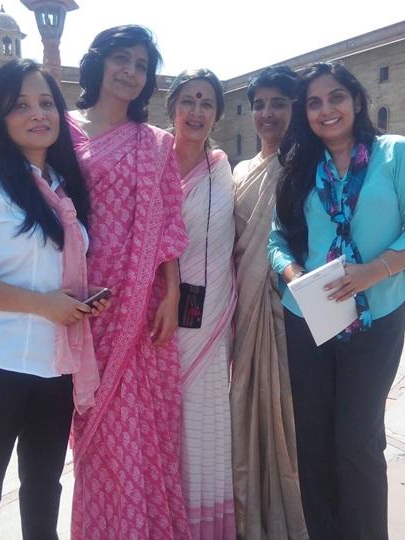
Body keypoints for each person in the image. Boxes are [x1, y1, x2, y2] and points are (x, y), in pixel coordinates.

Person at [0, 58, 109, 540]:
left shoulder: (63, 188)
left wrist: (78, 301)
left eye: (47, 102)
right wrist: (43, 304)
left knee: (43, 488)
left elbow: (56, 270)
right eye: (21, 105)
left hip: (53, 367)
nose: (38, 114)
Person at [268, 62, 405, 540]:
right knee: (314, 441)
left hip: (376, 315)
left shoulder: (394, 154)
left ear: (357, 101)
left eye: (336, 97)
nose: (326, 109)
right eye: (314, 102)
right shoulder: (299, 166)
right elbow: (276, 239)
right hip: (310, 318)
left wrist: (372, 272)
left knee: (358, 440)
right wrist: (294, 274)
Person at [65, 26, 191, 539]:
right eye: (122, 59)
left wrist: (173, 294)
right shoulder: (60, 130)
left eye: (141, 65)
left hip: (141, 306)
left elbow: (169, 222)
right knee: (93, 430)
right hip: (75, 301)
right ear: (98, 62)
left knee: (141, 430)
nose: (131, 72)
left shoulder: (154, 143)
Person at [230, 67, 308, 540]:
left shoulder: (307, 164)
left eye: (279, 102)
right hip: (243, 306)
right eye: (259, 104)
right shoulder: (239, 170)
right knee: (245, 409)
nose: (267, 113)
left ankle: (289, 519)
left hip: (289, 311)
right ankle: (249, 516)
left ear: (295, 108)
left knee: (287, 418)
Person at [166, 69, 237, 539]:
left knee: (210, 414)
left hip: (213, 316)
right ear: (171, 106)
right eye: (188, 100)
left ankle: (206, 524)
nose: (196, 111)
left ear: (217, 114)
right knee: (169, 417)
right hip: (161, 315)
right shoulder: (149, 159)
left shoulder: (222, 167)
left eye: (207, 102)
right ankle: (167, 516)